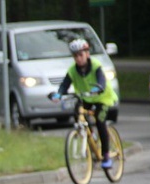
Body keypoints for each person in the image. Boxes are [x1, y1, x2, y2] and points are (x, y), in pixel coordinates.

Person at [49, 38, 118, 168]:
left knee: (100, 121)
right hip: (86, 98)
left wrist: (98, 88)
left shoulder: (96, 66)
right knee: (77, 113)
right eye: (75, 56)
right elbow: (65, 84)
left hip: (102, 98)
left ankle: (106, 155)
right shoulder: (72, 70)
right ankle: (90, 136)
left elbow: (101, 80)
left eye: (81, 55)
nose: (78, 58)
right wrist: (59, 93)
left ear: (87, 54)